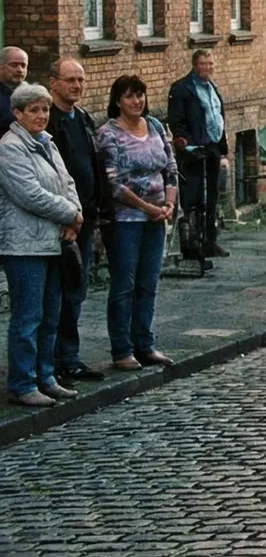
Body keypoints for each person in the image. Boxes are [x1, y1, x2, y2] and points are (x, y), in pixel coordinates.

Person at [0, 83, 85, 407]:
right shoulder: (10, 148)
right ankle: (23, 383)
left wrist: (74, 213)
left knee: (51, 313)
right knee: (28, 317)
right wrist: (69, 214)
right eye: (33, 110)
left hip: (52, 241)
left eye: (45, 109)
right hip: (24, 246)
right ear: (17, 113)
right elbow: (29, 194)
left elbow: (67, 182)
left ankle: (45, 376)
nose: (41, 115)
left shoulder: (46, 142)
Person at [99, 74, 178, 371]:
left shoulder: (155, 126)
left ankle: (145, 343)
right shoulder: (109, 134)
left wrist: (168, 204)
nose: (137, 101)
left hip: (158, 218)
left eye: (140, 95)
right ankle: (122, 349)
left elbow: (170, 167)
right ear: (118, 100)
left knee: (149, 282)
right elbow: (114, 183)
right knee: (124, 283)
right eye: (130, 96)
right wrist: (147, 207)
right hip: (127, 219)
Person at [47, 59, 108, 383]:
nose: (77, 86)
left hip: (85, 217)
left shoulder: (83, 118)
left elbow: (94, 166)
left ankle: (69, 357)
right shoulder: (48, 120)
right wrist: (64, 215)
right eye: (70, 80)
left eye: (81, 81)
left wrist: (97, 208)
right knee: (56, 292)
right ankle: (53, 361)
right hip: (59, 223)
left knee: (76, 290)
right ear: (53, 82)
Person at [167, 50, 229, 261]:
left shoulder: (212, 87)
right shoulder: (182, 88)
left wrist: (222, 148)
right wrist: (182, 138)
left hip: (212, 146)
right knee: (193, 197)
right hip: (194, 149)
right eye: (203, 64)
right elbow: (176, 119)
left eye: (210, 64)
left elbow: (217, 116)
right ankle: (193, 244)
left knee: (212, 196)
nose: (207, 68)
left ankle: (210, 241)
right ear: (195, 65)